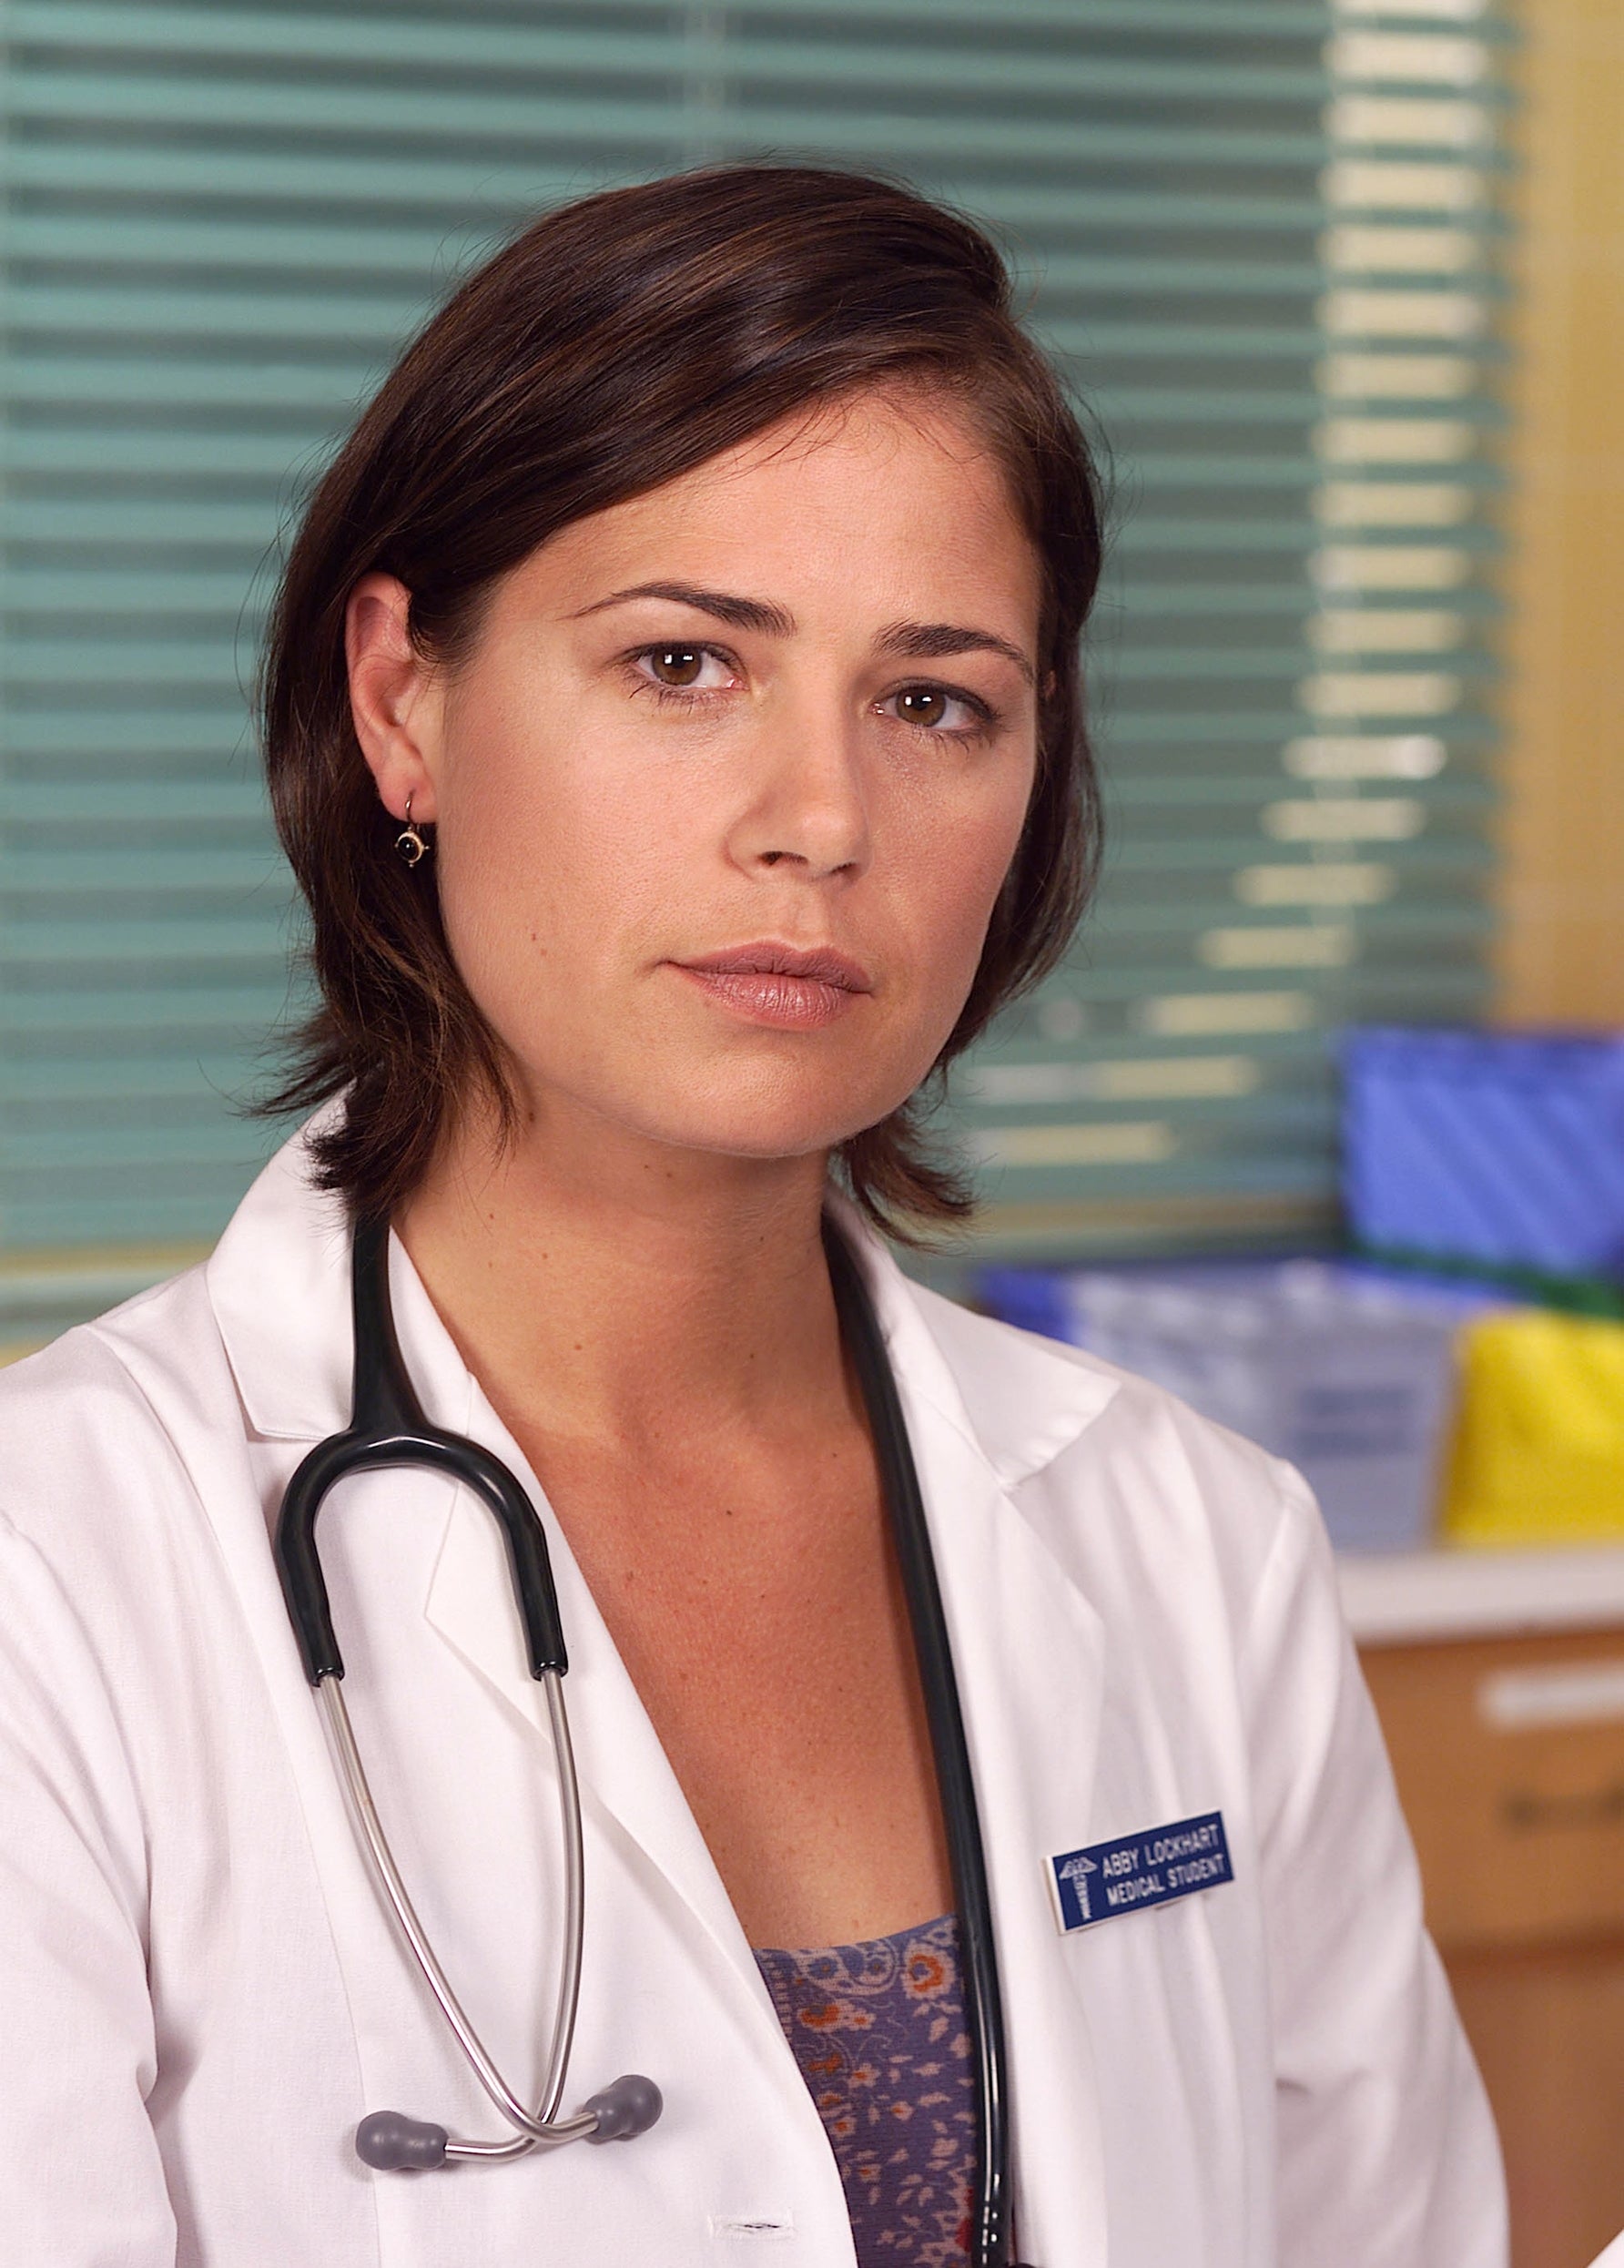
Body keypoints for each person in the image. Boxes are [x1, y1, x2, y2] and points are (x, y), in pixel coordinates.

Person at [0, 165, 1505, 2267]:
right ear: (401, 701)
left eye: (934, 701)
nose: (819, 818)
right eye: (685, 661)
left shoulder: (1190, 1542)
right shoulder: (55, 1576)